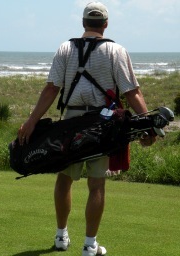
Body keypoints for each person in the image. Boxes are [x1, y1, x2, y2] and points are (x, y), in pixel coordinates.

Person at [17, 2, 156, 255]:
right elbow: (132, 92)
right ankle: (90, 245)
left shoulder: (65, 48)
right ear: (105, 24)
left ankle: (61, 237)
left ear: (83, 23)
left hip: (70, 122)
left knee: (65, 178)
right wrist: (148, 124)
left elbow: (51, 89)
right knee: (97, 184)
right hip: (102, 126)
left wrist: (32, 121)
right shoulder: (116, 50)